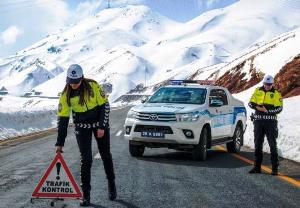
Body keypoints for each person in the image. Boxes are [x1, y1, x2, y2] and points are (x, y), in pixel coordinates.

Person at [55, 64, 116, 206]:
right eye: (71, 82)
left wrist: (102, 126)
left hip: (99, 124)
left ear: (82, 79)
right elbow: (63, 120)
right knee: (86, 159)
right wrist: (59, 143)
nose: (74, 85)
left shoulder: (93, 86)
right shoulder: (65, 95)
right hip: (82, 128)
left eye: (76, 82)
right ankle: (86, 195)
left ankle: (111, 184)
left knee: (105, 154)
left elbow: (105, 106)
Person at [248, 75, 283, 176]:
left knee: (272, 145)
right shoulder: (257, 90)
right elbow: (250, 103)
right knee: (258, 144)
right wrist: (258, 108)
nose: (267, 86)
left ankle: (275, 169)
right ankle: (257, 167)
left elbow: (279, 108)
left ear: (273, 84)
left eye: (269, 84)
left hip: (271, 123)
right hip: (258, 122)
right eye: (265, 84)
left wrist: (267, 111)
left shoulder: (276, 94)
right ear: (263, 83)